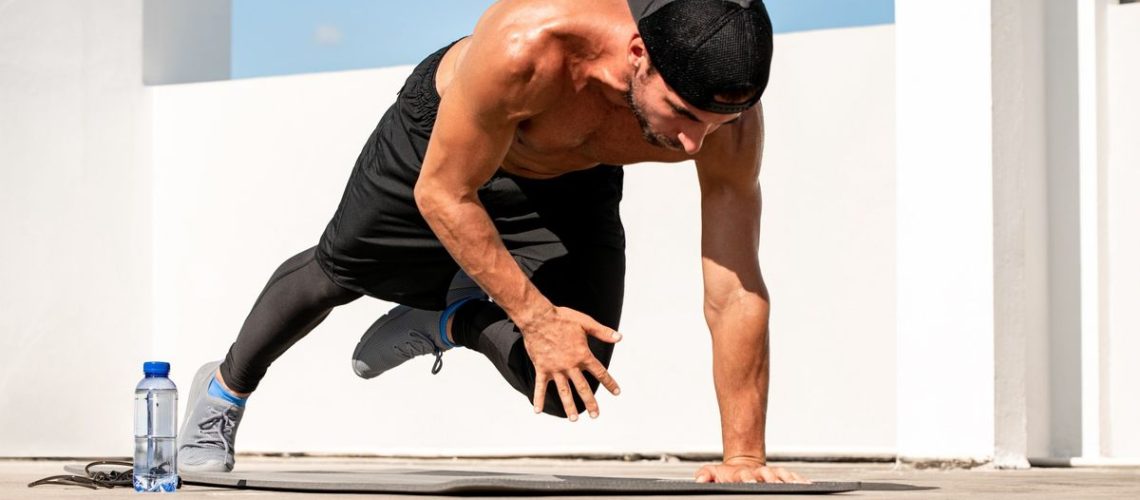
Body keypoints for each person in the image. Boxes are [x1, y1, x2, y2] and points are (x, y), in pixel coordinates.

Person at [177, 0, 804, 484]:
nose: (696, 144)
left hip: (573, 180)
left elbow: (735, 283)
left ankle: (457, 318)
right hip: (442, 147)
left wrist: (744, 454)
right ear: (638, 52)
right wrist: (532, 315)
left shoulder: (731, 122)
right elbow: (444, 194)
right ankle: (223, 392)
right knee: (341, 271)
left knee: (571, 374)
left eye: (716, 124)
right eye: (683, 115)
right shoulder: (527, 45)